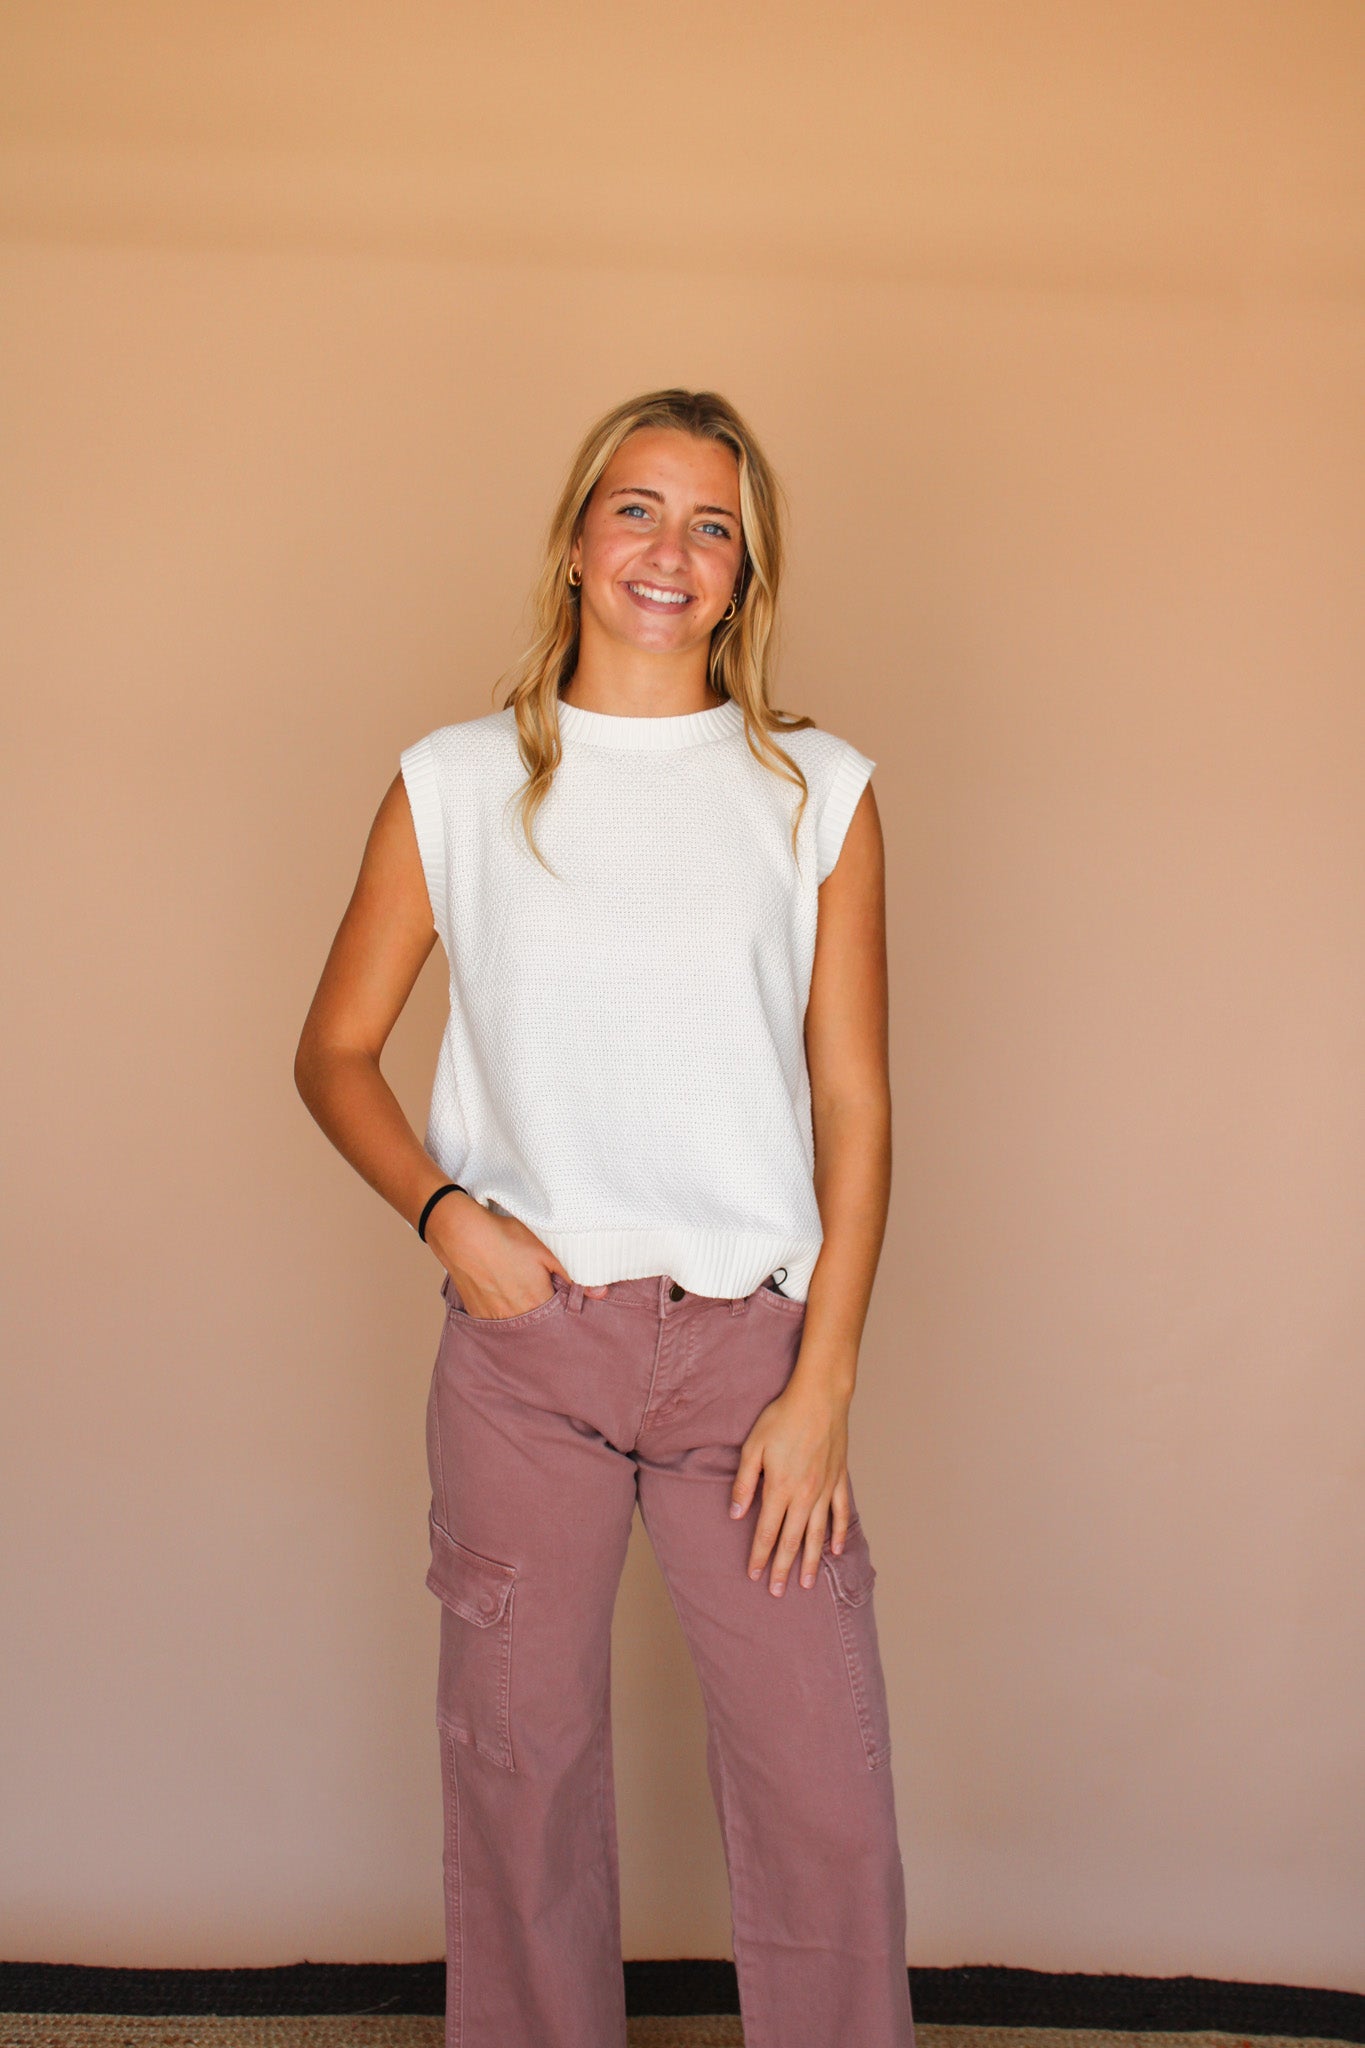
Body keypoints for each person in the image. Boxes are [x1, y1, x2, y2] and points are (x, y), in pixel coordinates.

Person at [294, 387, 916, 2048]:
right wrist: (447, 1217)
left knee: (823, 1792)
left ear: (743, 575)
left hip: (751, 1362)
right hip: (529, 1356)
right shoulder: (455, 782)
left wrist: (825, 1381)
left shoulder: (815, 792)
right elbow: (334, 1051)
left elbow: (854, 1107)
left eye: (713, 526)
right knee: (524, 1778)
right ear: (576, 541)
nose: (669, 549)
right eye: (636, 508)